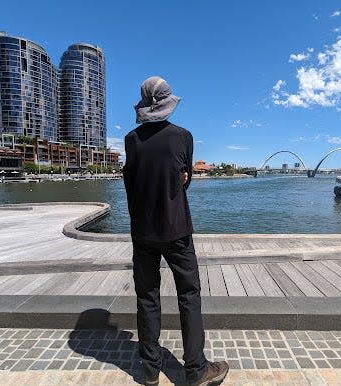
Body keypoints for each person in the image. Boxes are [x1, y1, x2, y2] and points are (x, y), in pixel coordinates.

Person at [123, 76, 229, 386]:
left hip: (142, 231)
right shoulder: (183, 137)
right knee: (189, 295)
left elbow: (131, 182)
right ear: (168, 104)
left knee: (147, 296)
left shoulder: (131, 140)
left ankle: (150, 369)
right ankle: (196, 369)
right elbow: (184, 180)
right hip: (176, 229)